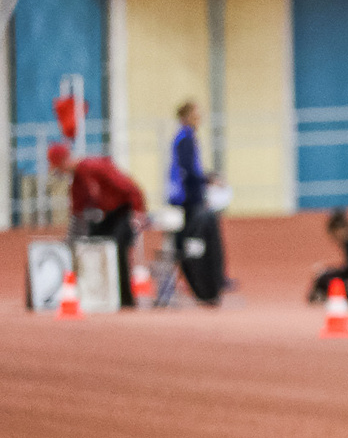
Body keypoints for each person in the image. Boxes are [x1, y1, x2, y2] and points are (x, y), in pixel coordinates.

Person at [50, 143, 146, 308]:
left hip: (123, 211)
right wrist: (70, 240)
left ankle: (125, 299)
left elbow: (130, 188)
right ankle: (98, 295)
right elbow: (77, 213)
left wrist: (138, 211)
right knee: (91, 245)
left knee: (118, 248)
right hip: (106, 215)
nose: (60, 173)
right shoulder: (77, 181)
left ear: (65, 161)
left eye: (59, 168)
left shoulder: (95, 167)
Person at [168, 101, 225, 306]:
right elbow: (188, 171)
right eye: (196, 114)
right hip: (188, 199)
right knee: (194, 242)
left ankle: (205, 282)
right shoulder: (185, 138)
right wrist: (208, 179)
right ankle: (202, 283)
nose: (199, 117)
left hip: (190, 196)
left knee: (193, 240)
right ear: (186, 116)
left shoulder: (187, 137)